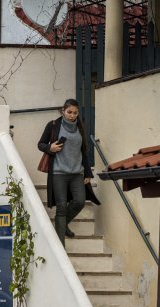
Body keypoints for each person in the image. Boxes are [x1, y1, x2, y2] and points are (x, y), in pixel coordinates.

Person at [37, 98, 99, 246]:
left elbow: (83, 150)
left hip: (77, 172)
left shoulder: (80, 127)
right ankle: (60, 247)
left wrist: (88, 173)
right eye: (69, 112)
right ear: (63, 111)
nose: (72, 115)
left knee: (79, 201)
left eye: (75, 113)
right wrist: (49, 148)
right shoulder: (53, 125)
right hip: (59, 172)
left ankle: (63, 225)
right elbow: (40, 144)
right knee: (61, 207)